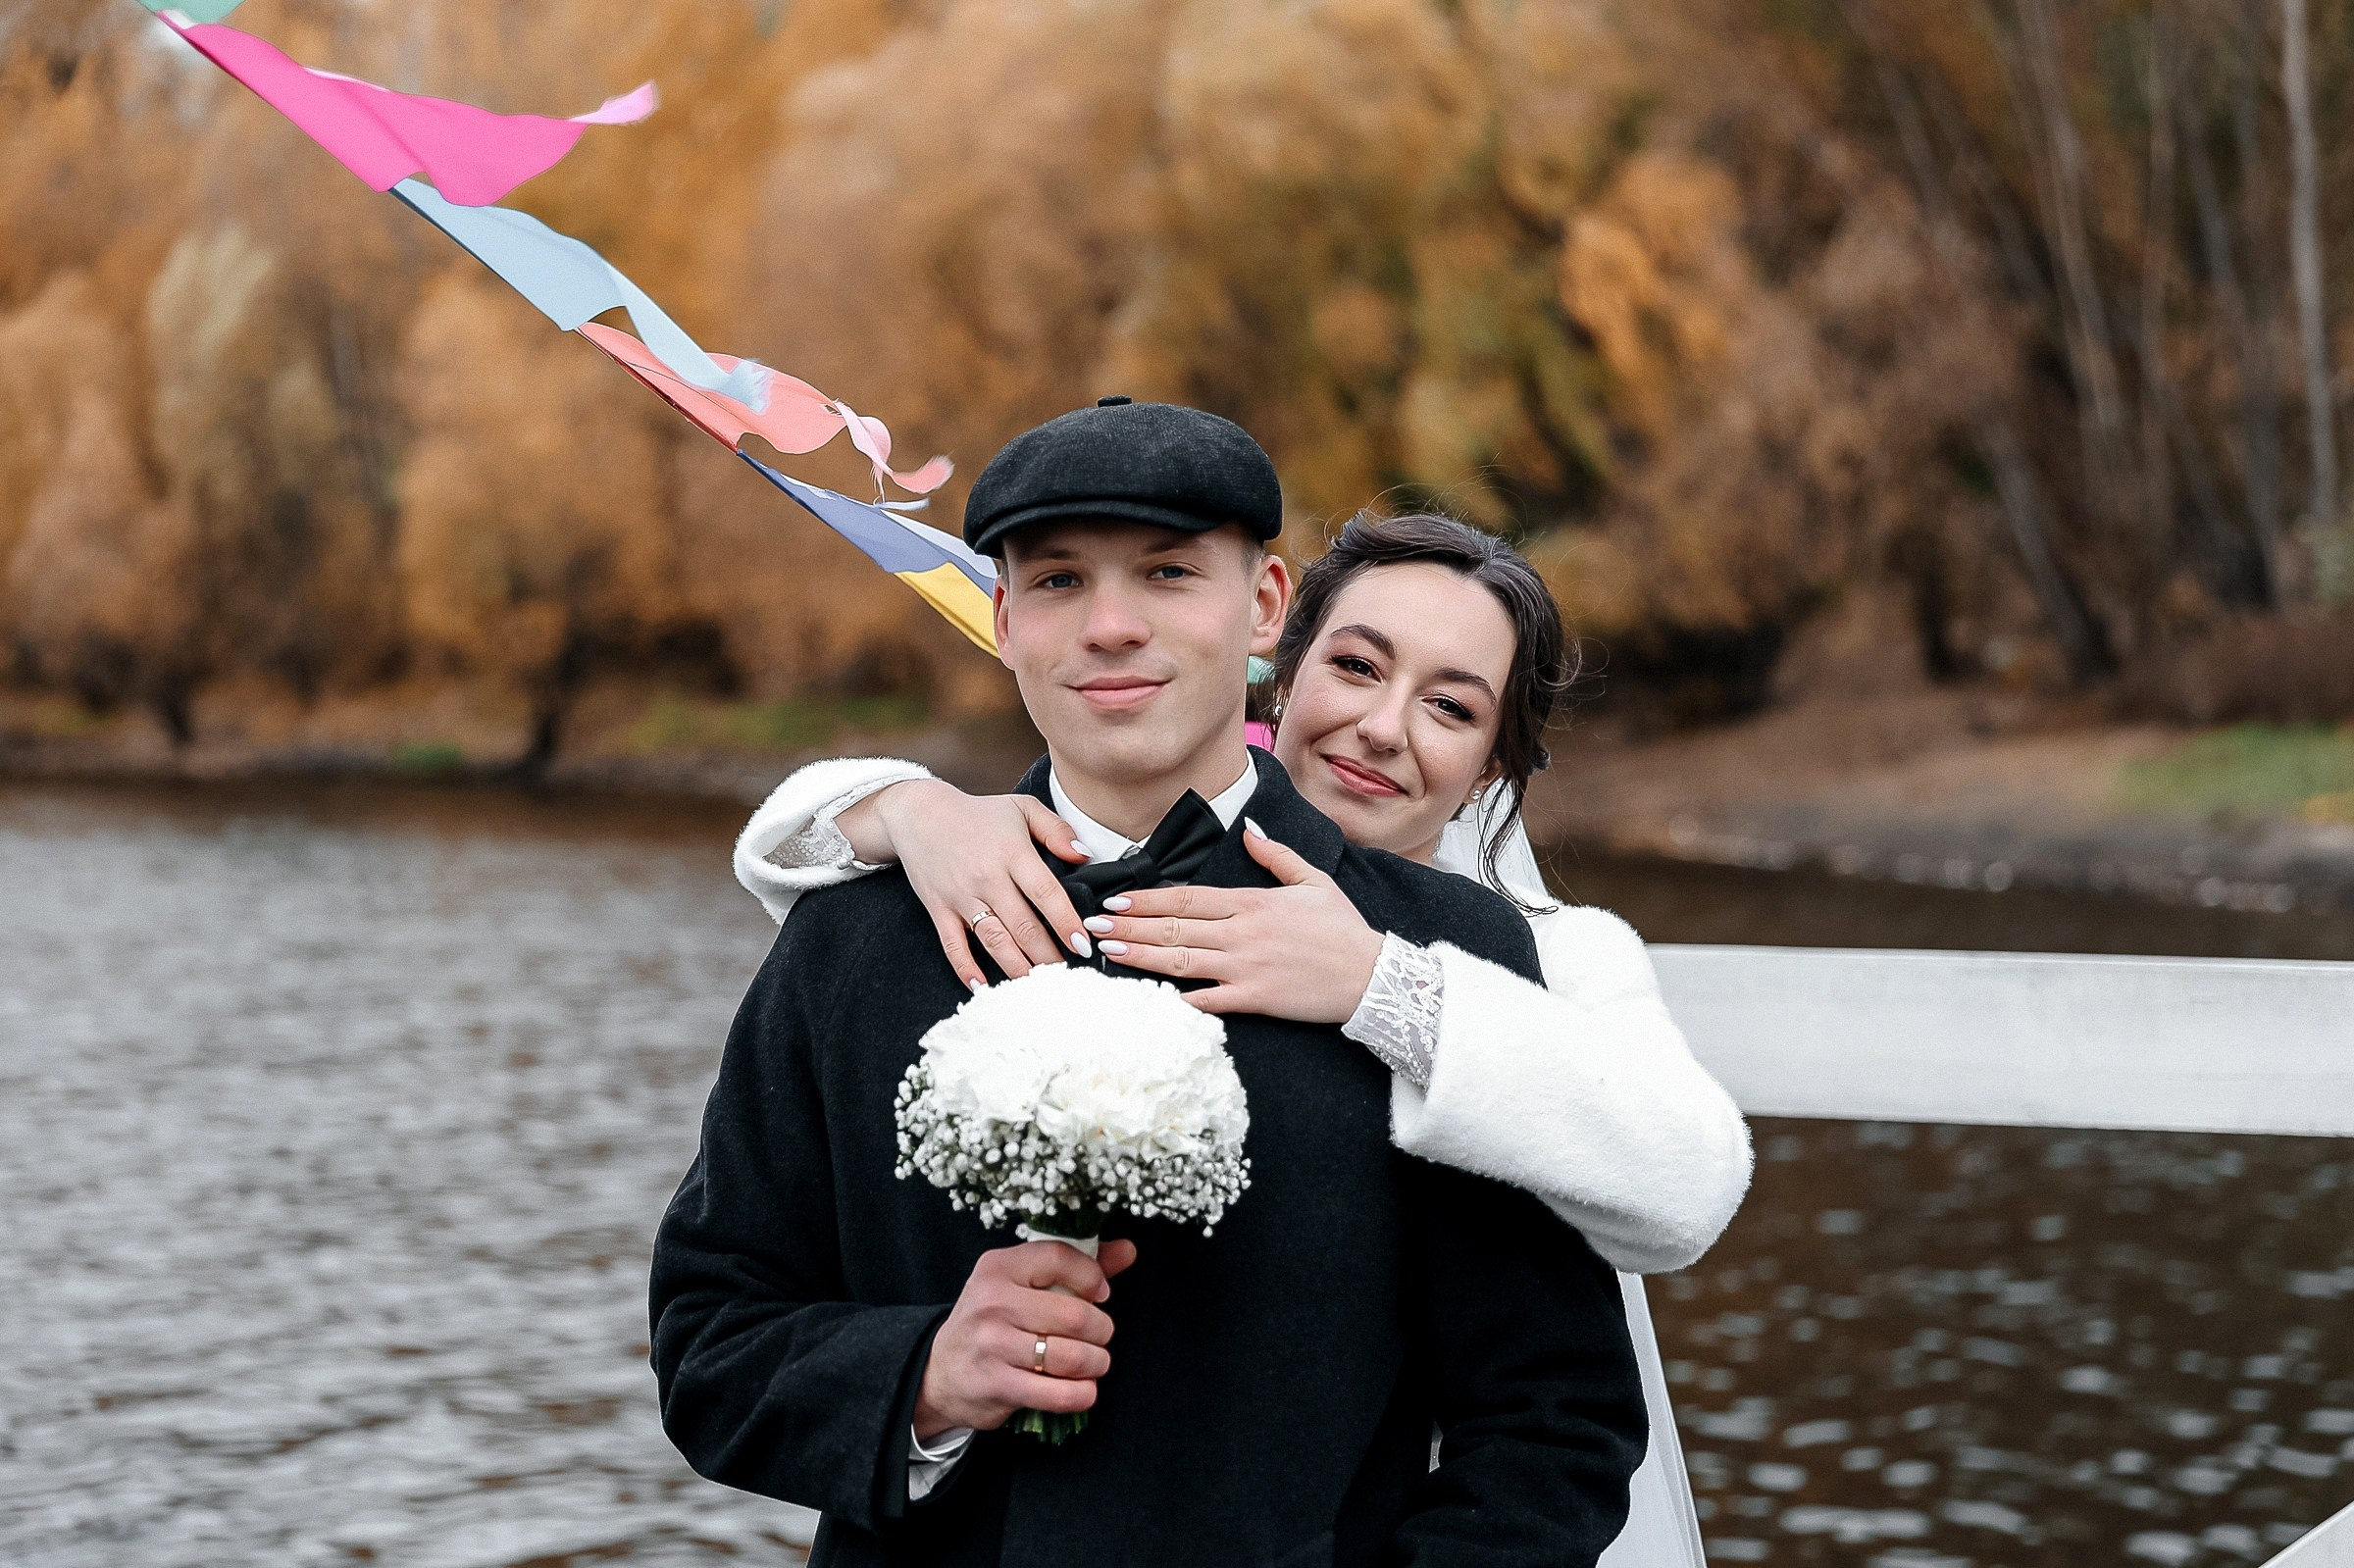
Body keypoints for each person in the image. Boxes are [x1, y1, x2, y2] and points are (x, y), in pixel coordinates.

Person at [651, 399, 1651, 1568]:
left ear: (1267, 605)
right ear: (1005, 616)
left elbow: (1553, 1420)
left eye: (1170, 574)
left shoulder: (1433, 953)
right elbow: (712, 1342)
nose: (1112, 626)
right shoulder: (856, 937)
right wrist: (921, 1378)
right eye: (1062, 581)